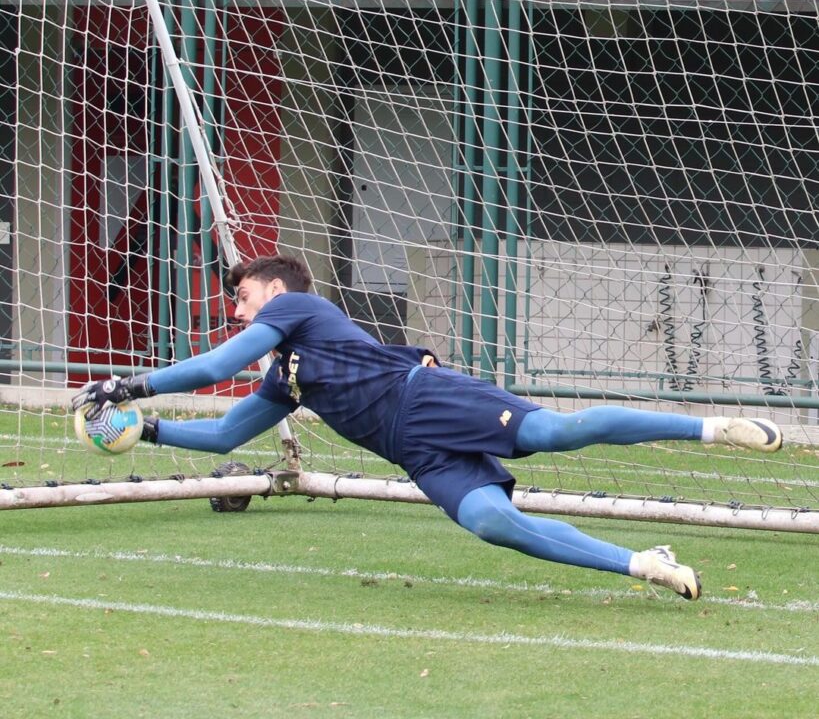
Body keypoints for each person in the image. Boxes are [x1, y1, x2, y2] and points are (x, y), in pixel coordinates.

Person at [72, 254, 783, 601]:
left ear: (277, 291)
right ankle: (642, 563)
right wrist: (147, 430)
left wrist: (127, 384)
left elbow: (216, 364)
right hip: (409, 449)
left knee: (556, 434)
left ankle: (709, 427)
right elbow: (229, 434)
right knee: (491, 523)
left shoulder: (294, 312)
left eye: (243, 292)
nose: (236, 304)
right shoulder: (283, 369)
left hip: (427, 399)